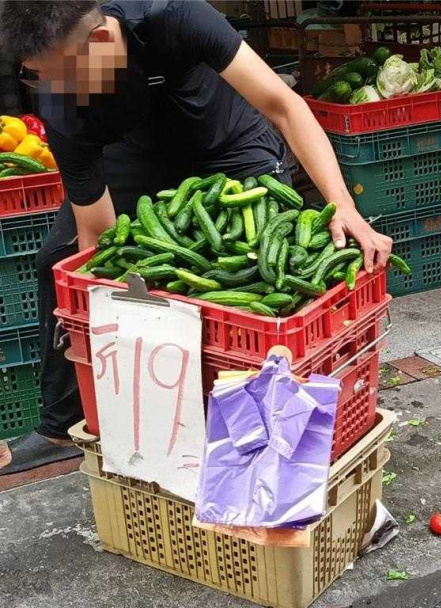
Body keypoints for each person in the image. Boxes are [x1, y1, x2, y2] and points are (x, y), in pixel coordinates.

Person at [0, 0, 393, 474]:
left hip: (229, 147)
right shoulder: (62, 106)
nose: (53, 90)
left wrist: (344, 206)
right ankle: (64, 424)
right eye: (35, 75)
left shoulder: (175, 17)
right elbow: (98, 236)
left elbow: (284, 106)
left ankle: (275, 428)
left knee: (275, 271)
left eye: (61, 74)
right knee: (57, 264)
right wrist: (105, 306)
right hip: (136, 157)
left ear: (100, 41)